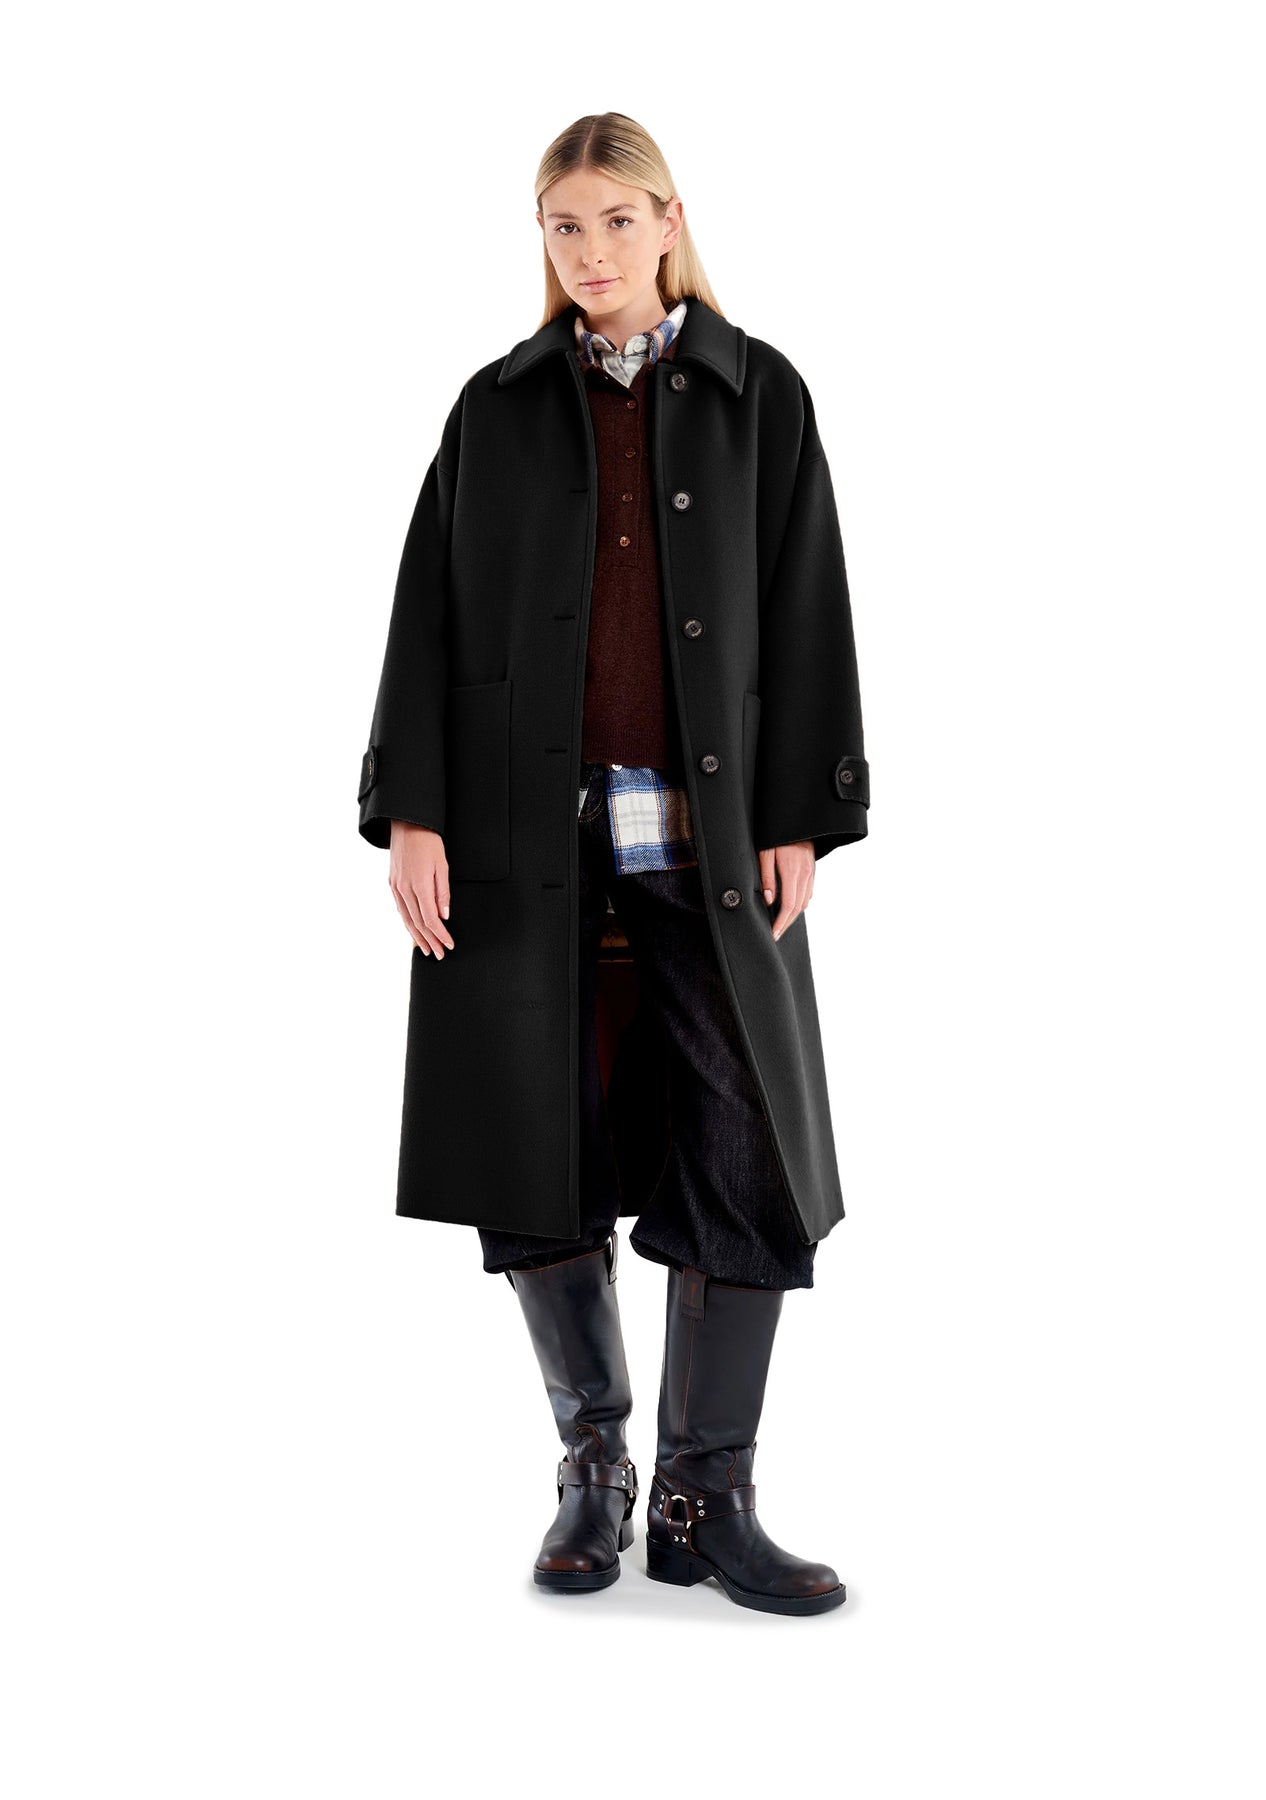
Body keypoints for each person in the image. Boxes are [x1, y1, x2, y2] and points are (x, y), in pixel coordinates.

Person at [356, 113, 869, 1616]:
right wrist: (413, 811)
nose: (589, 252)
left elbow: (810, 608)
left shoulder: (759, 394)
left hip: (704, 838)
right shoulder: (497, 406)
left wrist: (800, 811)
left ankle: (710, 1497)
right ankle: (594, 1469)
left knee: (748, 1148)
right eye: (563, 227)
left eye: (614, 220)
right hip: (528, 841)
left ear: (669, 221)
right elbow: (427, 611)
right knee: (537, 1142)